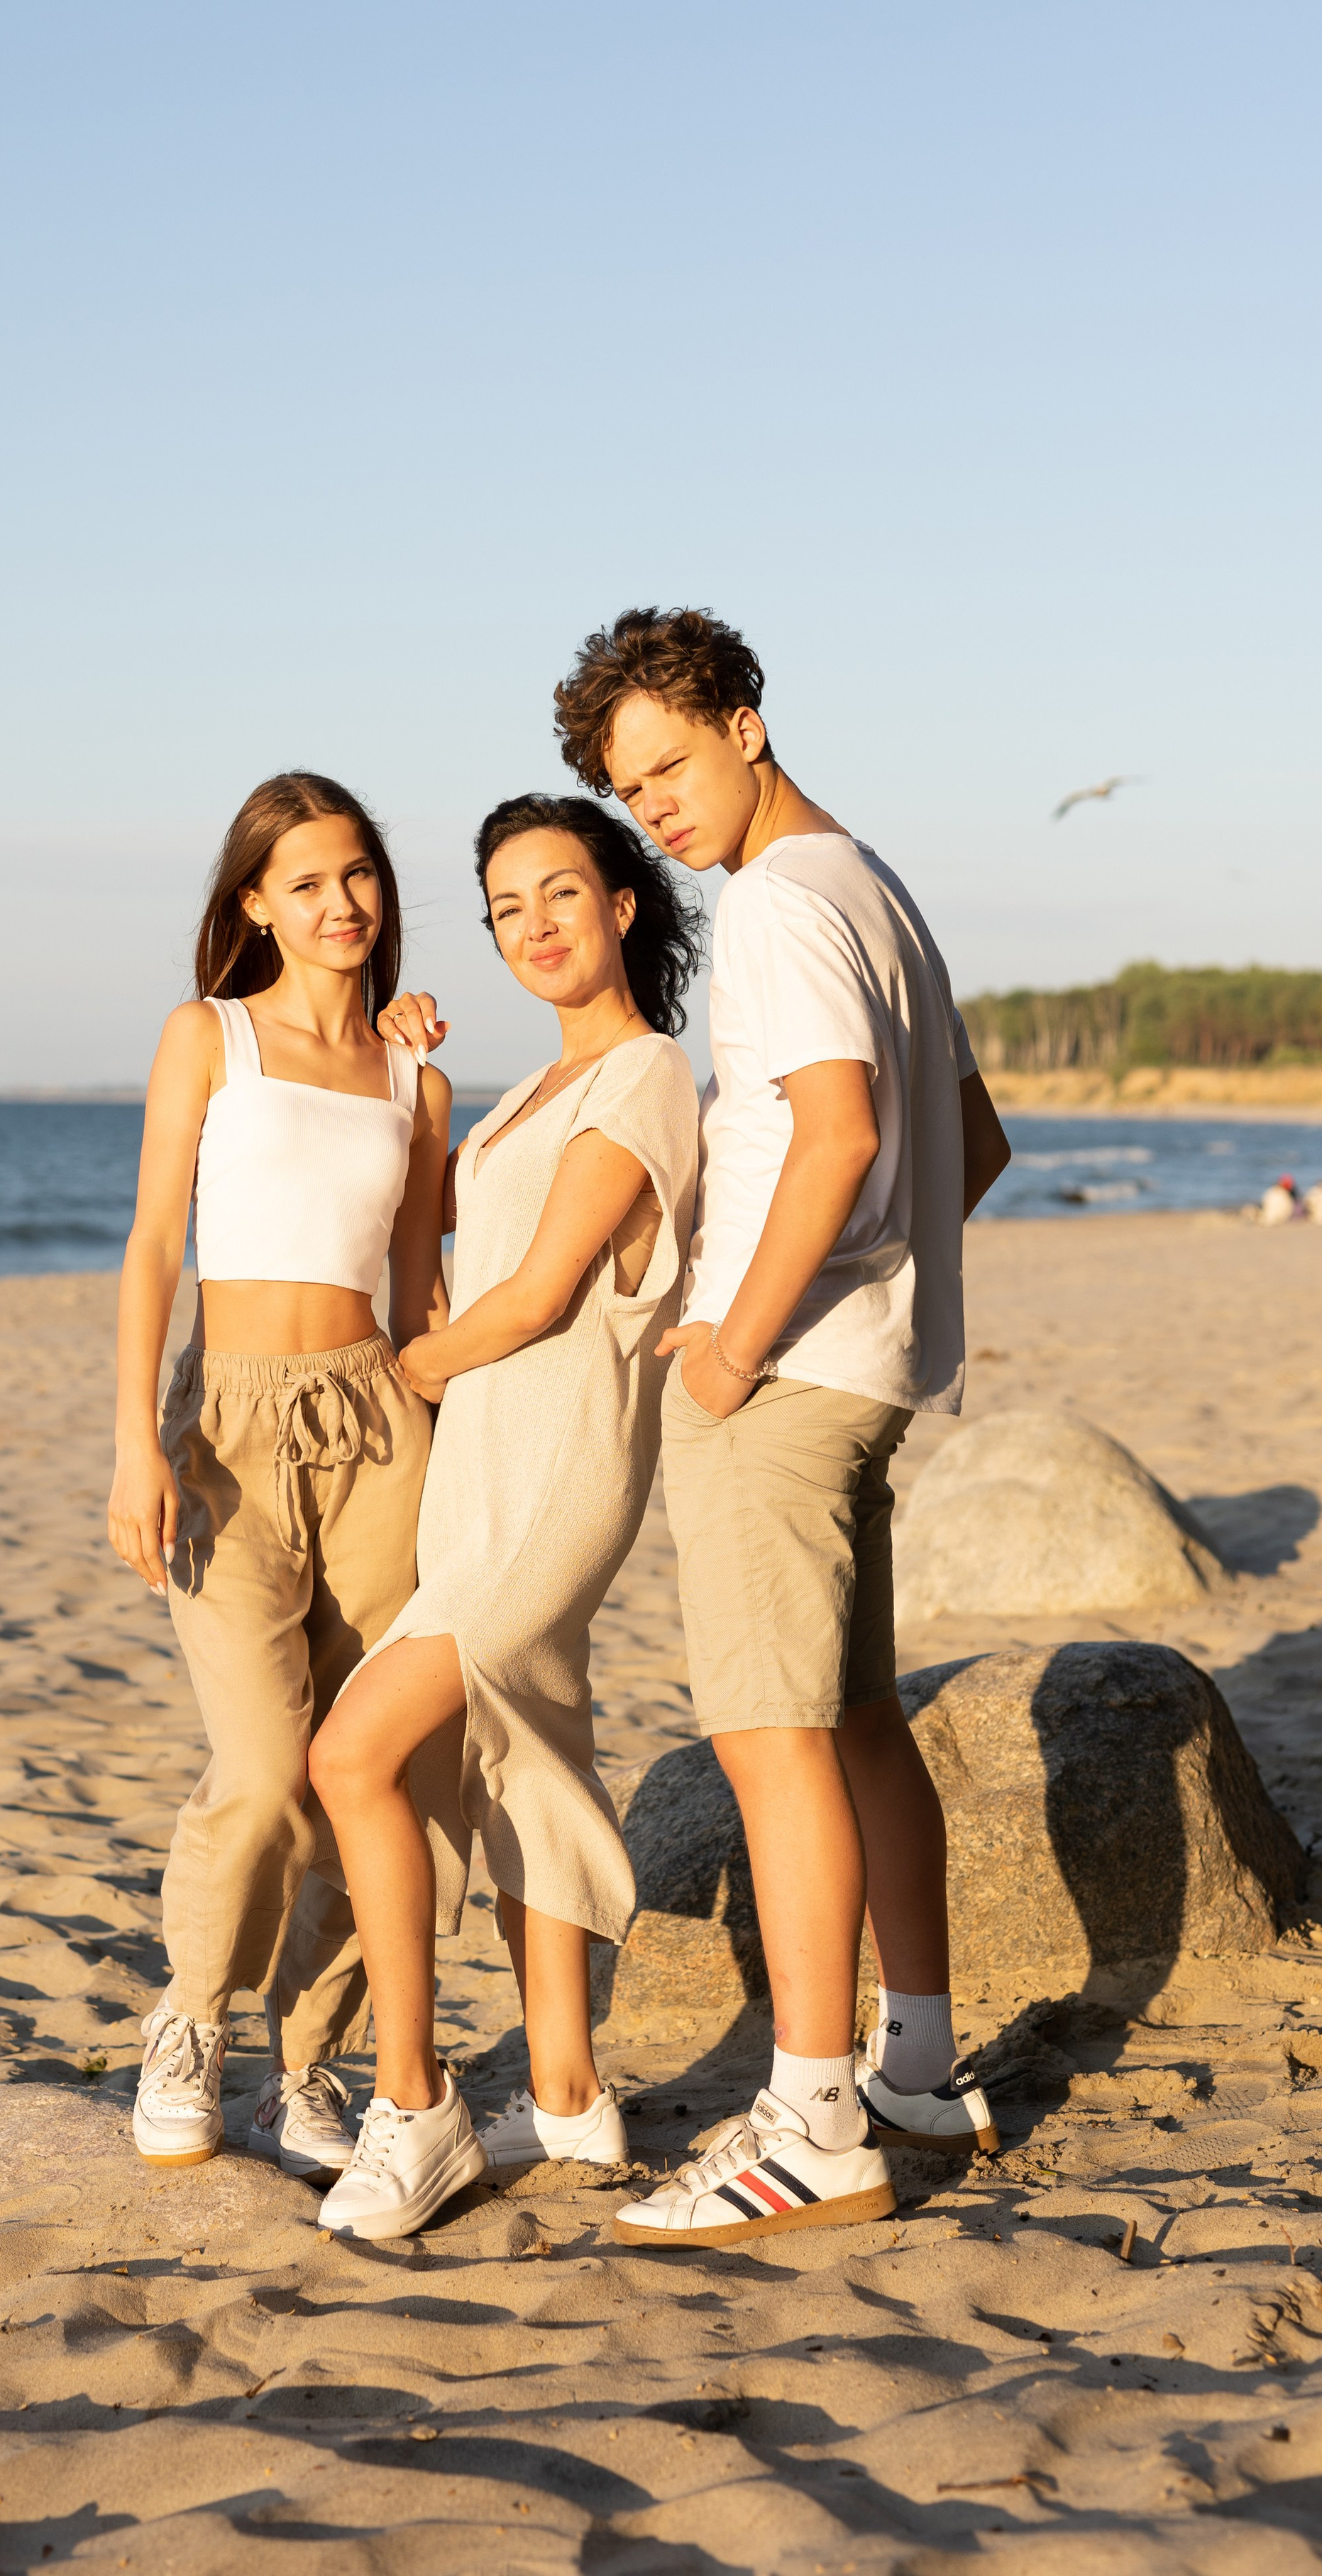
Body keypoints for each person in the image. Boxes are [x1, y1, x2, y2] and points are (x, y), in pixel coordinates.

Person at [537, 606, 1013, 2247]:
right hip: (861, 1372)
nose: (653, 808)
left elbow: (837, 1132)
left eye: (666, 764)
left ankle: (809, 2118)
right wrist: (876, 1289)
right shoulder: (874, 887)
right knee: (857, 1719)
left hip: (789, 1385)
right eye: (626, 784)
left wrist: (736, 1344)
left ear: (745, 720)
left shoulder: (778, 905)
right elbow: (977, 1144)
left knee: (772, 1739)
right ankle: (913, 2068)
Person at [304, 794, 703, 2241]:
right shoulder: (533, 1094)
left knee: (352, 1751)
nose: (531, 928)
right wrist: (417, 1095)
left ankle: (413, 2112)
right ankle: (566, 2088)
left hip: (554, 1474)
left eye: (558, 895)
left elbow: (532, 1296)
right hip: (477, 1468)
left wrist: (404, 1370)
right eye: (503, 911)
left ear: (623, 907)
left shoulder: (649, 1075)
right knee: (526, 1757)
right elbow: (443, 1263)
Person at [108, 773, 451, 2176]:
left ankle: (305, 2072)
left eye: (357, 873)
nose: (340, 903)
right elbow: (149, 1246)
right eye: (304, 881)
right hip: (227, 1431)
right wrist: (135, 1438)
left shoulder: (413, 1072)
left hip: (381, 1428)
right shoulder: (208, 1037)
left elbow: (421, 1286)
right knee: (256, 1769)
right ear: (253, 902)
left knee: (370, 1775)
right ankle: (191, 2019)